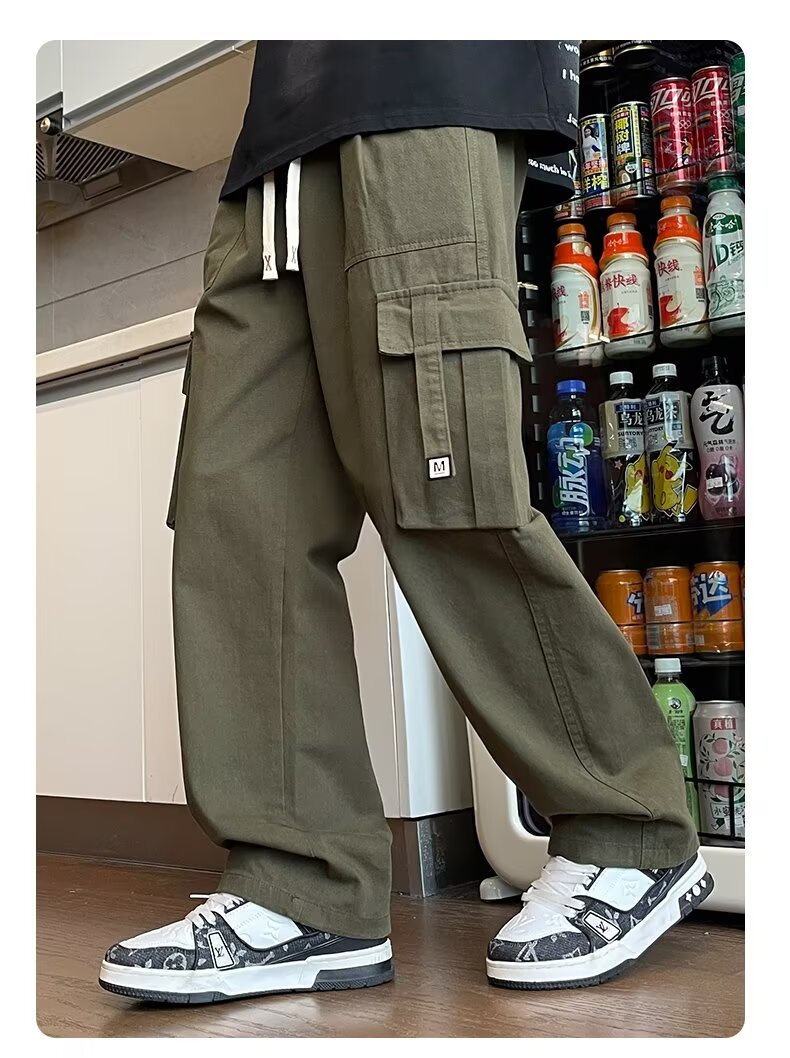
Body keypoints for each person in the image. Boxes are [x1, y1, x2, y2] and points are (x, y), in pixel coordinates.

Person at [99, 40, 710, 1004]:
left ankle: (628, 829)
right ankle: (303, 886)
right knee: (237, 516)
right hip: (274, 152)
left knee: (442, 480)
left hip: (422, 80)